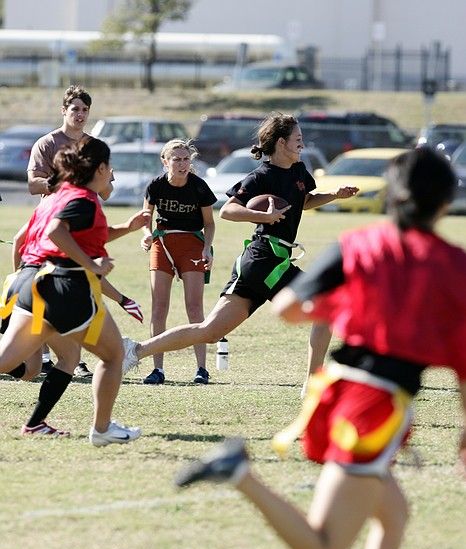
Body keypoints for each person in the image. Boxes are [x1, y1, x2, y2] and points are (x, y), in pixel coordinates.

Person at [174, 148, 466, 549]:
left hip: (337, 394)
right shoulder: (452, 265)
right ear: (444, 203)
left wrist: (355, 306)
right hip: (373, 411)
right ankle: (239, 474)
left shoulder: (358, 244)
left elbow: (289, 309)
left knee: (393, 517)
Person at [122, 113, 357, 374]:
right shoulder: (260, 177)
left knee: (210, 331)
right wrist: (263, 216)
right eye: (298, 139)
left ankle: (135, 350)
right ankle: (314, 382)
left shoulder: (299, 171)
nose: (302, 144)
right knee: (325, 306)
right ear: (281, 143)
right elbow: (228, 211)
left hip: (273, 260)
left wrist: (333, 196)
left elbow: (302, 202)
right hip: (262, 259)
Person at [0, 136, 150, 444]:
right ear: (101, 168)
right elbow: (58, 233)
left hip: (29, 282)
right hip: (62, 287)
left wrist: (127, 228)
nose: (112, 175)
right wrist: (92, 266)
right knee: (113, 355)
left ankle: (37, 423)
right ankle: (103, 428)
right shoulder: (83, 198)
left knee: (25, 359)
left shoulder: (59, 194)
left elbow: (81, 234)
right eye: (111, 168)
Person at [27, 84, 112, 378]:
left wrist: (104, 179)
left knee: (83, 290)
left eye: (85, 109)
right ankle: (50, 355)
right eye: (75, 109)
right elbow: (33, 184)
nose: (80, 114)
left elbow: (107, 192)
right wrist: (64, 181)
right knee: (50, 291)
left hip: (85, 226)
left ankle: (76, 356)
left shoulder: (93, 145)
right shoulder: (47, 143)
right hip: (53, 224)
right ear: (64, 110)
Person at [139, 138, 216, 385]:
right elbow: (145, 218)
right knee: (159, 307)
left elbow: (209, 223)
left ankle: (201, 369)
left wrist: (207, 249)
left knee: (194, 307)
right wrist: (146, 235)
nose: (182, 164)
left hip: (192, 245)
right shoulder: (156, 186)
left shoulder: (199, 186)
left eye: (186, 159)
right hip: (163, 245)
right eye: (176, 159)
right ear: (165, 161)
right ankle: (157, 369)